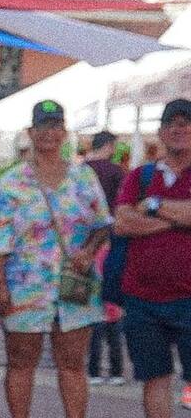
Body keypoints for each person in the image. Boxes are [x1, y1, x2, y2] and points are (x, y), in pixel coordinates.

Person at [0, 100, 112, 418]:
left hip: (73, 283)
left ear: (65, 132)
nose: (49, 134)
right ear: (31, 132)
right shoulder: (12, 181)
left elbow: (103, 222)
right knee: (21, 362)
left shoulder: (83, 177)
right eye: (43, 127)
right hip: (25, 284)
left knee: (72, 364)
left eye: (56, 126)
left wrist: (89, 250)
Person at [112, 99, 191, 418]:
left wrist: (155, 206)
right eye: (171, 123)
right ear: (161, 132)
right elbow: (122, 223)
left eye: (186, 123)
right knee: (154, 376)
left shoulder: (148, 190)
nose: (179, 129)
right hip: (141, 297)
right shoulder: (139, 176)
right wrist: (177, 219)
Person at [84, 131, 127, 384]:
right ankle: (116, 370)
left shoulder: (80, 171)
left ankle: (92, 369)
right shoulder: (116, 172)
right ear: (110, 146)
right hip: (109, 243)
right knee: (111, 308)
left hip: (82, 244)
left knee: (91, 307)